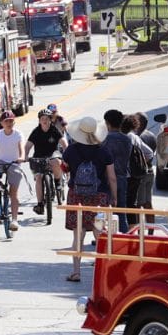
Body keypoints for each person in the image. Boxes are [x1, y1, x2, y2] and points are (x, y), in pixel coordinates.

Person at [62, 116, 115, 282]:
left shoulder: (71, 150)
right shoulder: (104, 151)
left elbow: (65, 169)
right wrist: (114, 196)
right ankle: (103, 272)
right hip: (99, 195)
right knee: (99, 233)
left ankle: (76, 272)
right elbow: (112, 177)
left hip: (76, 195)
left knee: (79, 234)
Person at [26, 108, 64, 217]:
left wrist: (67, 152)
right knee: (38, 177)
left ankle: (57, 182)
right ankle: (40, 204)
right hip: (39, 156)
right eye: (42, 119)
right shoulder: (36, 131)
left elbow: (63, 142)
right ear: (39, 120)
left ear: (50, 120)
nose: (44, 120)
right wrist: (25, 155)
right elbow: (28, 145)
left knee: (56, 161)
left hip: (53, 154)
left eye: (47, 118)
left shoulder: (54, 130)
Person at [102, 108, 133, 232]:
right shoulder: (127, 139)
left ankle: (105, 236)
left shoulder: (104, 140)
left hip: (106, 178)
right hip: (123, 177)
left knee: (106, 211)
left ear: (108, 123)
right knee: (121, 210)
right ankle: (123, 235)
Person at [122, 114, 155, 224]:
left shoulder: (128, 137)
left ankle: (135, 230)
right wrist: (141, 164)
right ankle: (148, 232)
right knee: (146, 204)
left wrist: (134, 164)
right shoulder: (147, 136)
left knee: (134, 204)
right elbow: (150, 153)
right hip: (144, 173)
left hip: (131, 175)